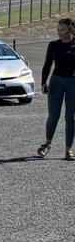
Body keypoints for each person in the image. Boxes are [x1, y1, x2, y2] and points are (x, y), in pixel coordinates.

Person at [38, 17, 75, 160]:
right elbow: (47, 65)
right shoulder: (53, 45)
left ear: (71, 30)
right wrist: (43, 83)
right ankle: (47, 144)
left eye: (63, 30)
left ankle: (68, 150)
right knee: (53, 115)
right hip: (56, 82)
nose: (59, 32)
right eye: (58, 29)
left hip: (73, 82)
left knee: (70, 118)